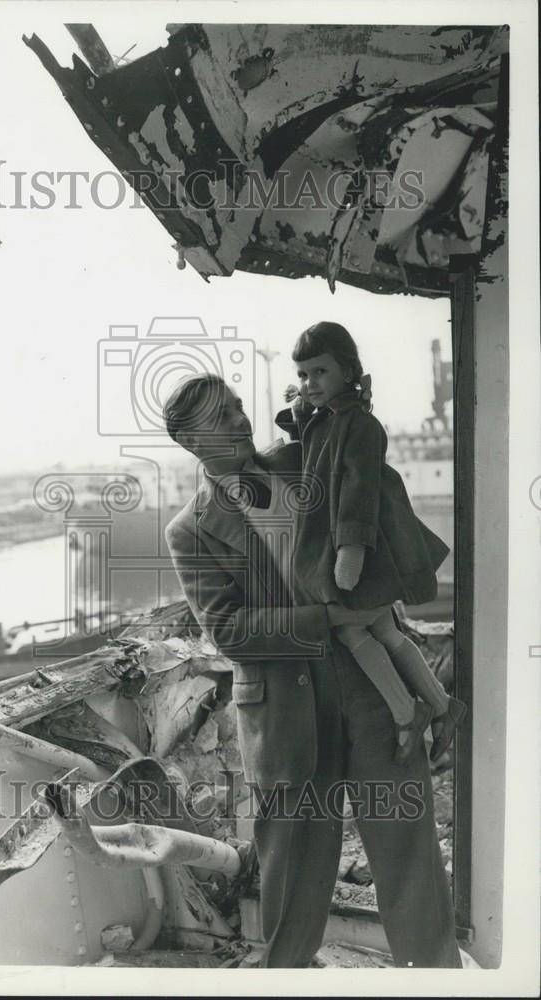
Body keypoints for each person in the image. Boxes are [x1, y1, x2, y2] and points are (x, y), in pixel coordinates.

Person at [163, 372, 462, 969]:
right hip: (285, 719)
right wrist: (326, 617)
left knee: (411, 868)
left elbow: (363, 471)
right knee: (290, 889)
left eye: (239, 407)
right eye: (222, 418)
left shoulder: (302, 463)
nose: (241, 420)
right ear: (193, 443)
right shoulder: (189, 530)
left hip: (374, 694)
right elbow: (229, 633)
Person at [274, 321, 466, 765]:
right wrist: (301, 409)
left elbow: (358, 494)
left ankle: (406, 713)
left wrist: (350, 552)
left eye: (319, 372)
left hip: (357, 551)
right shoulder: (327, 421)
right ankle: (440, 704)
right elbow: (307, 443)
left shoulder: (361, 425)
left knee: (349, 626)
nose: (310, 383)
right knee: (381, 628)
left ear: (347, 369)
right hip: (338, 546)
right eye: (303, 375)